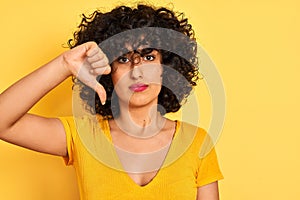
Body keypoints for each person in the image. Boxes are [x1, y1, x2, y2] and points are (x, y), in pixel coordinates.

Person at [0, 4, 223, 200]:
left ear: (167, 66)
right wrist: (64, 65)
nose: (137, 72)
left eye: (148, 57)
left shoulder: (197, 142)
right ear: (108, 72)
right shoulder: (84, 136)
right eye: (123, 59)